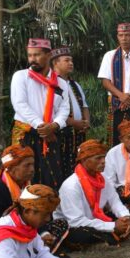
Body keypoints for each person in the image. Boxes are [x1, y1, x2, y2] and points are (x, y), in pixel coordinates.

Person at [0, 145, 68, 255]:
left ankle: (39, 251)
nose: (32, 169)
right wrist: (32, 238)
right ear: (12, 168)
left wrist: (43, 233)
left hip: (26, 231)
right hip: (2, 238)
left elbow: (37, 216)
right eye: (27, 165)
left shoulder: (29, 188)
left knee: (61, 223)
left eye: (32, 164)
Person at [10, 38, 70, 190]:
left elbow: (64, 109)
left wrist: (55, 125)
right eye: (30, 55)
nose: (32, 59)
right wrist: (42, 126)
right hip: (27, 133)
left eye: (36, 55)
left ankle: (51, 211)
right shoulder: (21, 76)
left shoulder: (61, 83)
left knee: (52, 176)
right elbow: (20, 104)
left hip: (51, 133)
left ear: (49, 55)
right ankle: (24, 211)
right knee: (24, 175)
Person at [55, 140, 130, 247]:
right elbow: (76, 221)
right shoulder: (70, 186)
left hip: (97, 219)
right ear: (84, 160)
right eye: (98, 158)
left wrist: (125, 218)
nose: (103, 161)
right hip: (76, 226)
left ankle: (119, 231)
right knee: (83, 234)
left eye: (104, 157)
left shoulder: (102, 179)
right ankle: (115, 233)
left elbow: (114, 202)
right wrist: (112, 225)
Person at [50, 47, 90, 179]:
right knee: (63, 168)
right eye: (67, 60)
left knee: (79, 167)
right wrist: (73, 123)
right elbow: (53, 111)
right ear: (56, 63)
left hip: (79, 134)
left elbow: (84, 106)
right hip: (62, 135)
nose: (71, 63)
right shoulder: (51, 84)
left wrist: (86, 122)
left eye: (71, 60)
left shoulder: (75, 84)